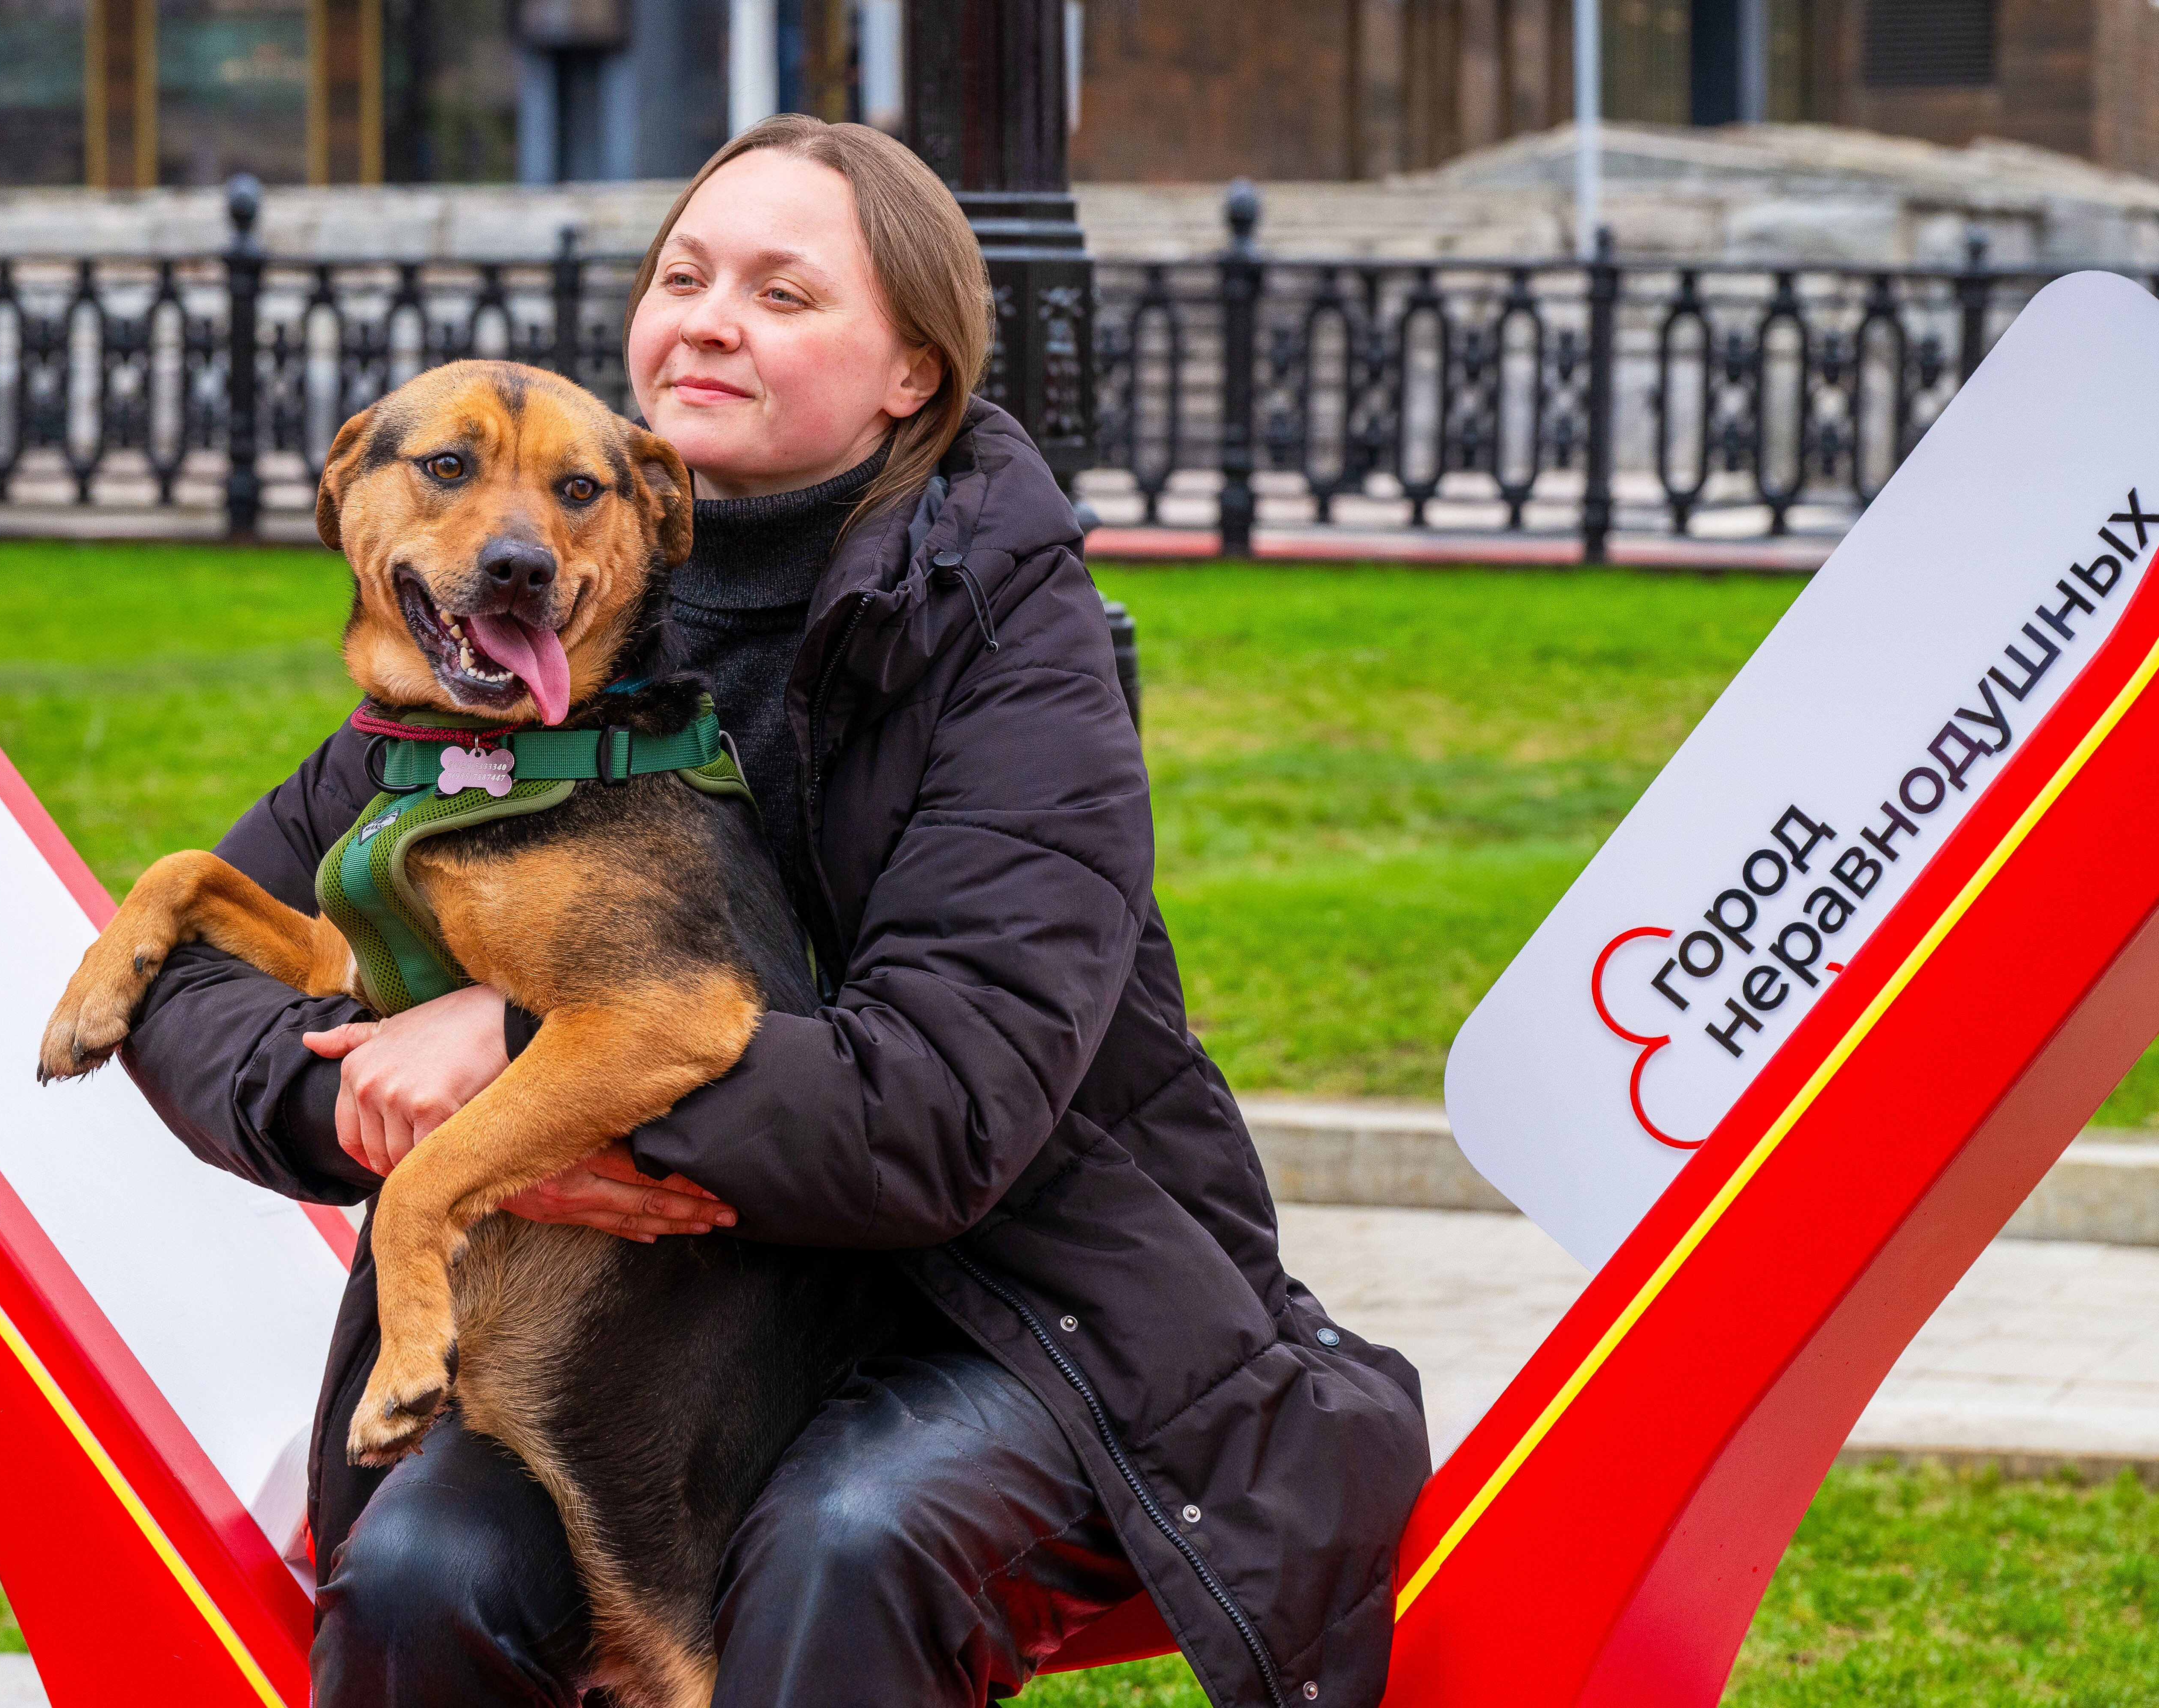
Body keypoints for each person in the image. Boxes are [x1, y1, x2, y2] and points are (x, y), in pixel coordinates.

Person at [122, 114, 1427, 1708]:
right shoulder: (545, 609)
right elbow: (199, 978)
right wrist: (360, 1100)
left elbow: (944, 1112)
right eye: (683, 277)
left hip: (1015, 1297)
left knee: (847, 1544)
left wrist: (525, 1052)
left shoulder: (1008, 637)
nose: (710, 321)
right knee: (421, 1570)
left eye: (783, 293)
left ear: (914, 374)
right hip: (677, 1329)